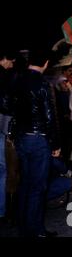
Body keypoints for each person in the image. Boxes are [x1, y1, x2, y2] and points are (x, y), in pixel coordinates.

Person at [10, 49, 60, 237]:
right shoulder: (42, 83)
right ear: (45, 63)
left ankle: (23, 225)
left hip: (21, 138)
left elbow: (6, 106)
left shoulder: (16, 80)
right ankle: (36, 230)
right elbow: (49, 116)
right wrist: (55, 144)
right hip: (38, 139)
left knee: (25, 182)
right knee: (38, 186)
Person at [0, 49, 15, 223]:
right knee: (4, 170)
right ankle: (3, 211)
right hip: (3, 126)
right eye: (10, 61)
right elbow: (6, 105)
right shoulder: (5, 77)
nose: (11, 64)